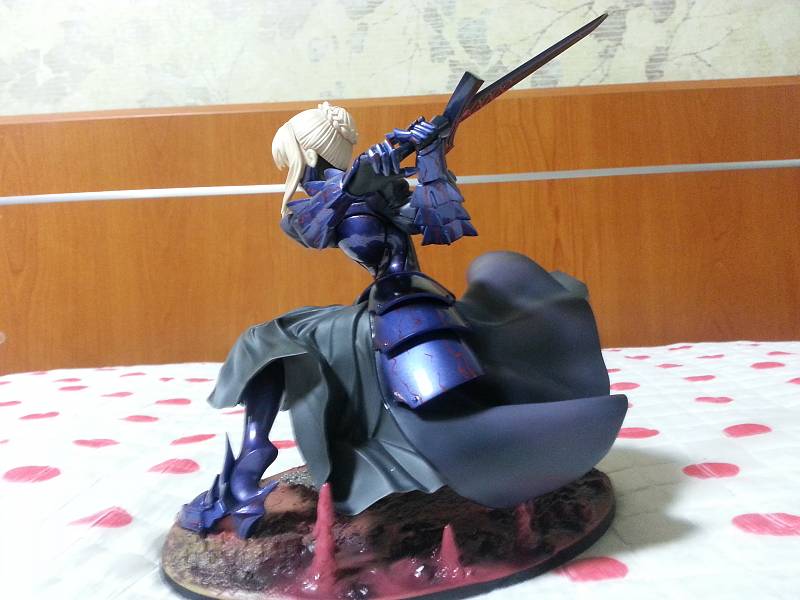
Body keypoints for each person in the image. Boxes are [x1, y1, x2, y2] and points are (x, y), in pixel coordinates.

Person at [179, 102, 627, 539]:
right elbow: (309, 229)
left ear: (305, 152)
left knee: (274, 339)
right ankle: (254, 457)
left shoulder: (377, 191)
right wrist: (362, 177)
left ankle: (252, 463)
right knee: (270, 338)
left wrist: (431, 156)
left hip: (407, 304)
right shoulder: (330, 200)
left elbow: (441, 224)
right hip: (385, 305)